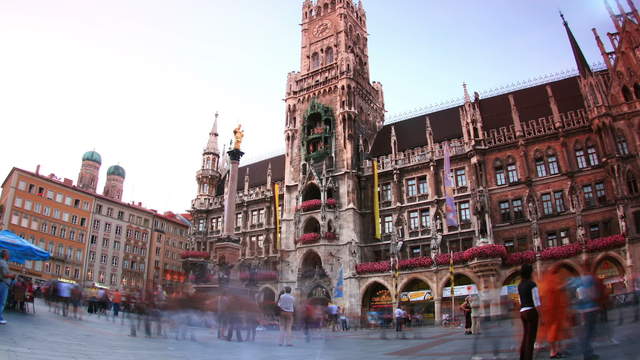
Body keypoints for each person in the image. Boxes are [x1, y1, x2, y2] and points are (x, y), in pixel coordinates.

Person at [539, 268, 571, 358]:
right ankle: (553, 352)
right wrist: (564, 285)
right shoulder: (548, 284)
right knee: (552, 333)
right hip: (551, 313)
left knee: (556, 333)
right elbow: (554, 291)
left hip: (554, 313)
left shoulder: (546, 284)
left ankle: (557, 350)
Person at [517, 263, 540, 360]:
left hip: (522, 311)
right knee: (530, 338)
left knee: (525, 336)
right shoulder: (532, 284)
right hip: (531, 311)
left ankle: (522, 357)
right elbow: (536, 300)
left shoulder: (520, 285)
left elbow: (519, 300)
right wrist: (540, 313)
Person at [0, 250, 16, 324]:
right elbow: (4, 275)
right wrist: (12, 275)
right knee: (2, 302)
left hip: (4, 283)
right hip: (3, 284)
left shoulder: (4, 263)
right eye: (8, 254)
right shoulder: (2, 262)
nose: (9, 255)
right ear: (5, 255)